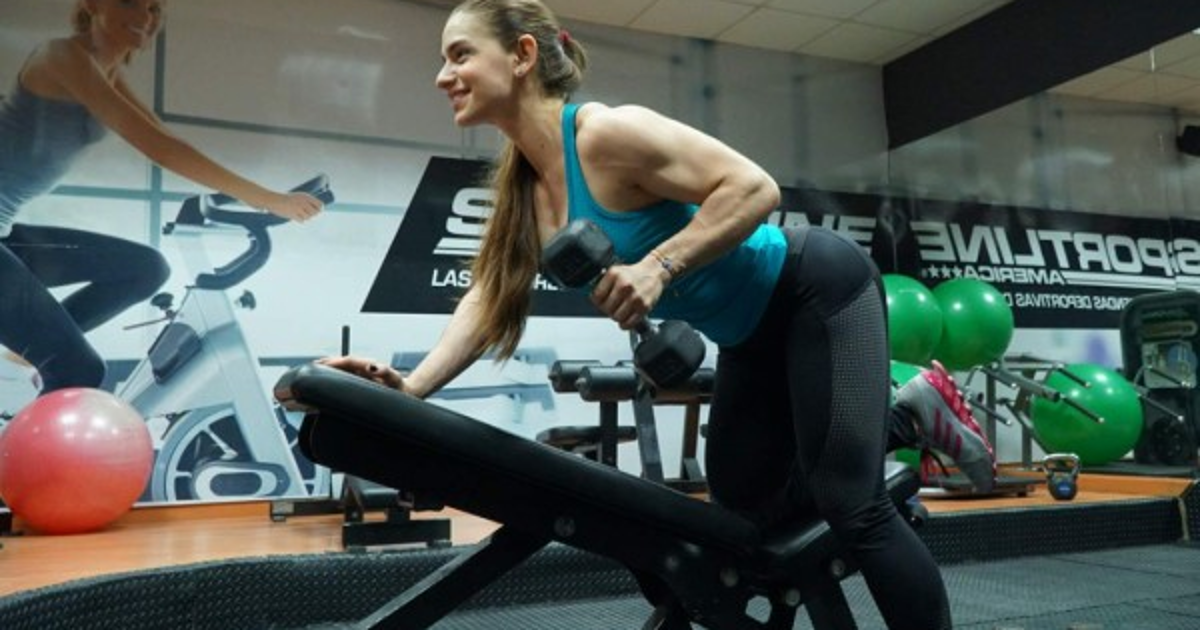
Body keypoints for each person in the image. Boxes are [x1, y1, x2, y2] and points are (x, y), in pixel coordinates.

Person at [322, 1, 990, 626]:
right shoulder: (525, 189)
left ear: (522, 55)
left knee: (852, 505)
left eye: (460, 55)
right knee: (739, 517)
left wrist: (657, 267)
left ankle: (910, 413)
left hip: (814, 288)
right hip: (748, 340)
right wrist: (411, 390)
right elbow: (491, 297)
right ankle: (902, 418)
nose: (443, 76)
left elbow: (754, 187)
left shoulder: (606, 134)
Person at [0, 0, 324, 407]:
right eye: (130, 1)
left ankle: (22, 354)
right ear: (92, 3)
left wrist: (261, 197)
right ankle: (27, 411)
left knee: (145, 268)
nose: (144, 16)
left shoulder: (107, 71)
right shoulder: (61, 57)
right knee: (78, 369)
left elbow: (163, 135)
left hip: (5, 230)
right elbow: (159, 147)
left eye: (154, 8)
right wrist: (269, 200)